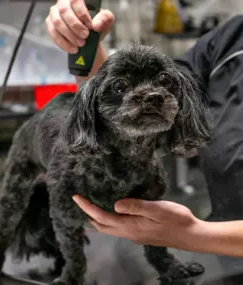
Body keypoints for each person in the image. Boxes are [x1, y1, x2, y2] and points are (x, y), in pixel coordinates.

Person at [46, 1, 243, 257]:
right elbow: (128, 101)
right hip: (225, 262)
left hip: (210, 244)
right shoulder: (229, 41)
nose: (155, 93)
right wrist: (85, 41)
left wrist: (195, 235)